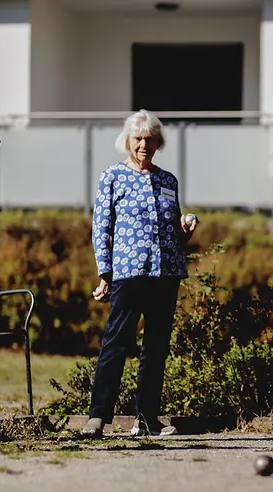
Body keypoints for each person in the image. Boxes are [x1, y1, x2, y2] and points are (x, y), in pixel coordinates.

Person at [81, 109, 197, 438]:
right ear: (127, 141)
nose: (144, 145)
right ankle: (98, 417)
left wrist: (185, 228)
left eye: (150, 139)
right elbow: (101, 227)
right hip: (128, 273)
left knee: (156, 347)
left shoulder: (167, 180)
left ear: (158, 143)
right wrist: (105, 272)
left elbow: (173, 230)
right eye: (138, 139)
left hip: (166, 273)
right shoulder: (113, 177)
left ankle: (146, 419)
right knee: (116, 343)